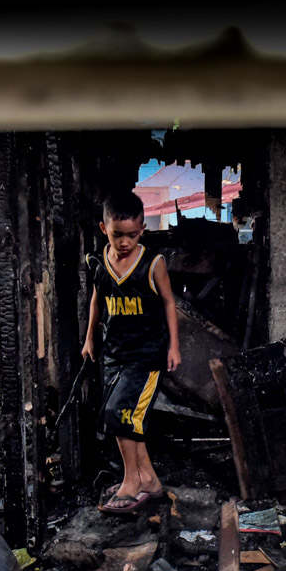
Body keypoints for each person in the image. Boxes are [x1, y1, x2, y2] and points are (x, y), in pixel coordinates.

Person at [83, 190, 182, 515]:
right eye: (117, 235)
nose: (124, 242)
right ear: (103, 228)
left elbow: (169, 303)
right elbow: (98, 300)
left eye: (132, 235)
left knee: (120, 414)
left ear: (142, 229)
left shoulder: (152, 264)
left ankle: (130, 482)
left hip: (146, 355)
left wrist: (174, 345)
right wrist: (89, 339)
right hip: (114, 354)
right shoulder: (101, 263)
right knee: (126, 418)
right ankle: (150, 480)